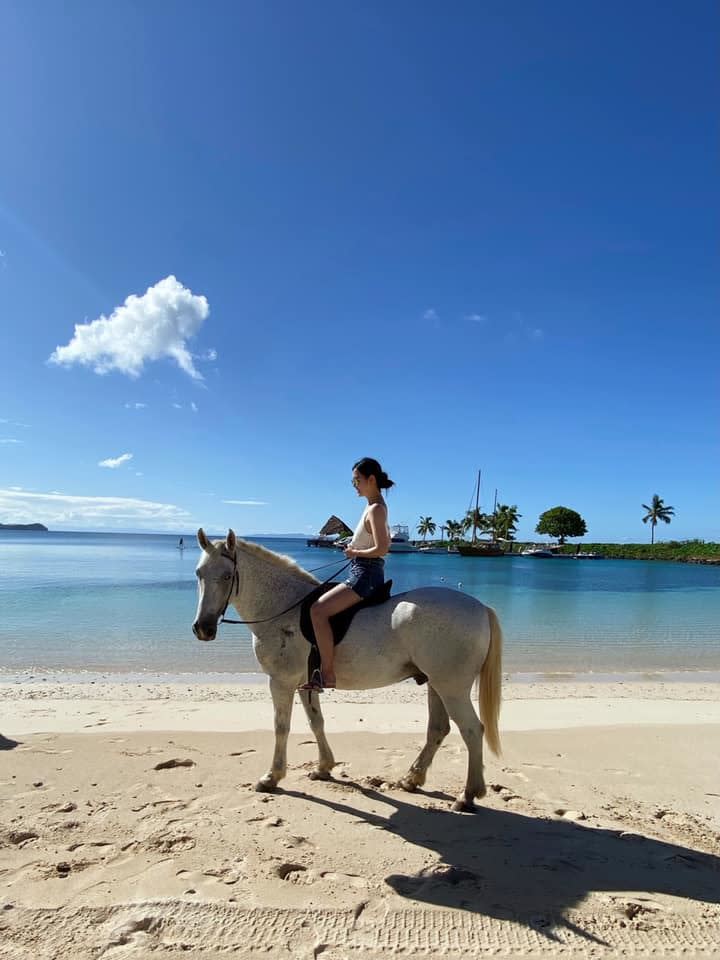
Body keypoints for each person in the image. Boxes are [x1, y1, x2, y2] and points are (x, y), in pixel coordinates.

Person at [301, 457, 393, 692]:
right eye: (353, 481)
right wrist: (356, 552)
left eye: (357, 480)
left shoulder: (376, 509)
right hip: (362, 570)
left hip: (365, 575)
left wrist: (354, 551)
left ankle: (327, 674)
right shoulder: (373, 506)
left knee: (318, 611)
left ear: (371, 480)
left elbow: (383, 548)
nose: (355, 485)